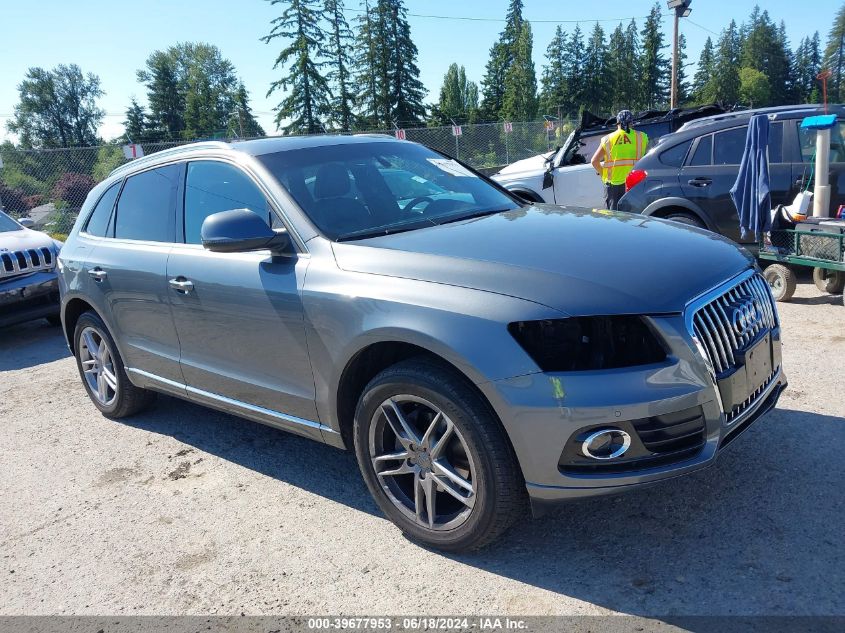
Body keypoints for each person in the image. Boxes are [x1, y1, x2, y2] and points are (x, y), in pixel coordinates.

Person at [590, 110, 648, 210]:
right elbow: (647, 159)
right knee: (637, 215)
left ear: (618, 123)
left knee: (615, 218)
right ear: (631, 123)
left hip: (614, 186)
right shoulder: (642, 137)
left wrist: (604, 175)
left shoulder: (607, 139)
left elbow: (594, 161)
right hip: (636, 184)